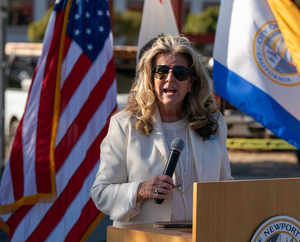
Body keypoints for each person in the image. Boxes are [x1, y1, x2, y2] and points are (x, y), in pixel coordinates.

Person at [91, 35, 233, 225]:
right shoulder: (124, 125)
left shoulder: (213, 123)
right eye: (161, 71)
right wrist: (141, 190)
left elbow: (225, 185)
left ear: (192, 82)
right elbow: (101, 193)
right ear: (150, 79)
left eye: (180, 73)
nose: (170, 78)